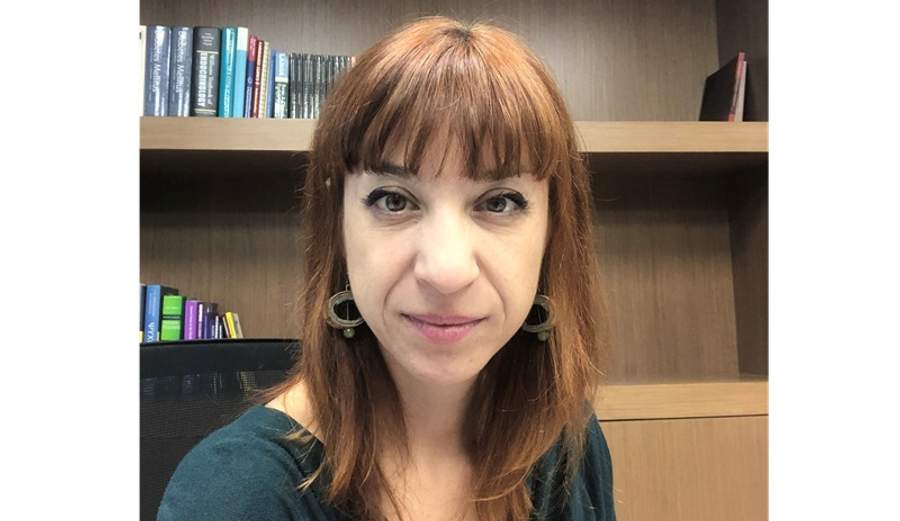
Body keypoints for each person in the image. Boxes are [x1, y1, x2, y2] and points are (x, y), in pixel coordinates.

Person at [157, 15, 615, 521]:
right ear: (338, 224)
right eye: (395, 200)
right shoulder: (235, 495)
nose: (446, 271)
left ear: (552, 230)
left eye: (499, 202)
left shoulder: (565, 437)